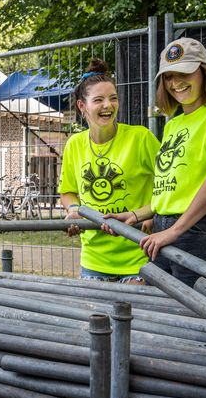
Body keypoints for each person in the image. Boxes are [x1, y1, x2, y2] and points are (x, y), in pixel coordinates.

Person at [104, 38, 206, 288]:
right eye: (168, 76)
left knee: (203, 320)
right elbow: (172, 190)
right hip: (163, 231)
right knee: (161, 315)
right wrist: (136, 214)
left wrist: (175, 230)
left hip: (199, 232)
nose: (175, 83)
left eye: (184, 73)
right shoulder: (173, 124)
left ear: (204, 71)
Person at [58, 59, 160, 284]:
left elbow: (170, 187)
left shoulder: (140, 138)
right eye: (99, 100)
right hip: (94, 258)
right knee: (97, 318)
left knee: (136, 317)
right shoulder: (74, 144)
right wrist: (75, 210)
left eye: (113, 98)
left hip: (138, 254)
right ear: (82, 106)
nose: (108, 105)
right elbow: (68, 192)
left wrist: (149, 213)